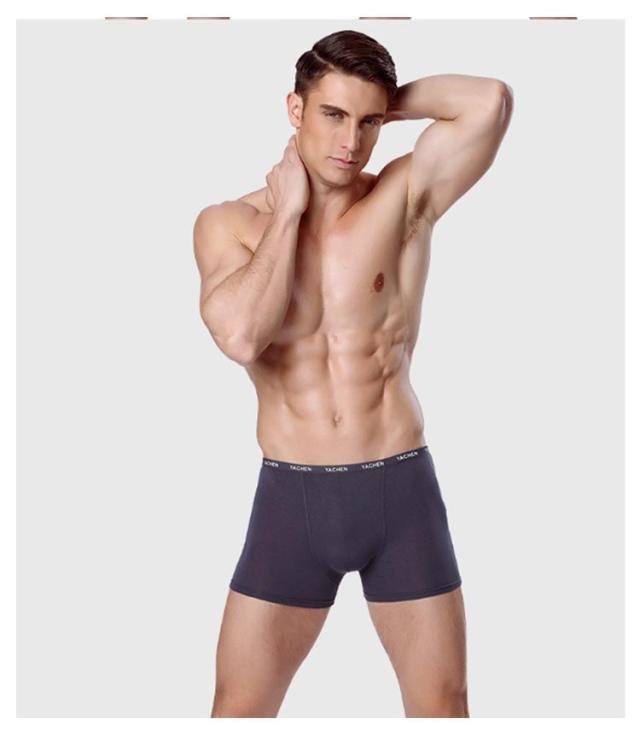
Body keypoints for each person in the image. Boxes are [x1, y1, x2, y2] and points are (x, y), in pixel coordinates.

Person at [193, 29, 513, 718]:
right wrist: (289, 214)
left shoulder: (402, 197)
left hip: (400, 489)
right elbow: (242, 335)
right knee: (237, 709)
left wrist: (389, 103)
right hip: (291, 498)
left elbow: (489, 101)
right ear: (295, 109)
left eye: (368, 122)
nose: (351, 140)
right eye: (333, 114)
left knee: (442, 706)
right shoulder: (230, 224)